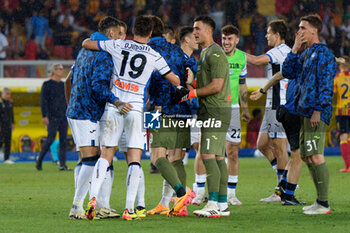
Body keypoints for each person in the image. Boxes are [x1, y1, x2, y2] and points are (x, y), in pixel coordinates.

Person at [82, 15, 183, 220]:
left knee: (106, 154)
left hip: (115, 106)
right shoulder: (154, 54)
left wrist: (101, 44)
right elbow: (175, 80)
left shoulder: (118, 44)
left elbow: (86, 43)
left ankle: (92, 198)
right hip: (136, 108)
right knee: (134, 158)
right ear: (151, 33)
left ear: (133, 30)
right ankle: (130, 208)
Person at [65, 16, 127, 220]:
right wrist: (117, 101)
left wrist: (72, 104)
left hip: (77, 112)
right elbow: (98, 88)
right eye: (120, 34)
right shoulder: (104, 55)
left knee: (95, 158)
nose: (122, 39)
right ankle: (76, 206)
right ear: (111, 34)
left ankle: (102, 205)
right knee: (92, 159)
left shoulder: (83, 50)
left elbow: (68, 80)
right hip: (87, 113)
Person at [177, 15, 232, 217]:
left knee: (208, 156)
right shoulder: (206, 53)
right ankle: (222, 204)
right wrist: (192, 83)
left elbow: (217, 86)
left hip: (215, 110)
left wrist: (192, 92)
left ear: (209, 30)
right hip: (213, 109)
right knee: (217, 158)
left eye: (198, 28)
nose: (195, 32)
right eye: (193, 29)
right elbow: (205, 85)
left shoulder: (215, 53)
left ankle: (214, 204)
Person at [282, 14, 337, 215]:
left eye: (303, 28)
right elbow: (288, 72)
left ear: (314, 31)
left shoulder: (324, 54)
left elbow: (325, 86)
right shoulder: (305, 54)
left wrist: (318, 110)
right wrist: (295, 48)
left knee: (315, 156)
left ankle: (323, 203)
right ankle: (319, 201)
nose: (299, 31)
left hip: (316, 113)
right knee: (306, 156)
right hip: (303, 112)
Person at [192, 24, 250, 207]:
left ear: (237, 40)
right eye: (224, 38)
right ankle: (200, 190)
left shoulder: (242, 58)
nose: (226, 42)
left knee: (232, 152)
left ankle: (231, 193)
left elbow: (242, 84)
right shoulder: (214, 54)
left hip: (232, 109)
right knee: (205, 149)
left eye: (230, 39)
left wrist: (245, 107)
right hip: (213, 106)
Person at [146, 24, 198, 217]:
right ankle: (172, 205)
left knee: (156, 157)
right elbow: (193, 79)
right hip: (183, 110)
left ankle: (182, 195)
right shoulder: (185, 57)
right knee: (176, 158)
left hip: (157, 109)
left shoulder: (154, 50)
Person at [245, 19, 291, 202]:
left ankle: (282, 189)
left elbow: (256, 61)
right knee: (262, 144)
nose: (266, 35)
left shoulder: (279, 52)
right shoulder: (286, 51)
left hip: (279, 104)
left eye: (268, 32)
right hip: (272, 103)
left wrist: (234, 51)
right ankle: (285, 178)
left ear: (277, 35)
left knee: (279, 147)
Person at [36, 64, 70, 171]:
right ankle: (39, 160)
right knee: (50, 139)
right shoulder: (47, 84)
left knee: (63, 141)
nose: (61, 70)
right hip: (52, 116)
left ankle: (63, 164)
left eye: (62, 69)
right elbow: (43, 101)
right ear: (54, 71)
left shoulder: (63, 85)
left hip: (63, 116)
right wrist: (44, 115)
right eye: (59, 69)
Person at [333, 56, 350, 172]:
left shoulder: (337, 78)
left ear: (341, 66)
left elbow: (332, 94)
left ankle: (347, 166)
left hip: (341, 111)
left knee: (343, 137)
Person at [0, 88, 15, 164]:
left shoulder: (10, 103)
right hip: (1, 126)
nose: (8, 95)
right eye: (6, 94)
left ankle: (6, 159)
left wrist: (13, 123)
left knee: (8, 142)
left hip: (8, 125)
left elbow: (11, 114)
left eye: (9, 94)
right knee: (0, 142)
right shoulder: (0, 103)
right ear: (2, 94)